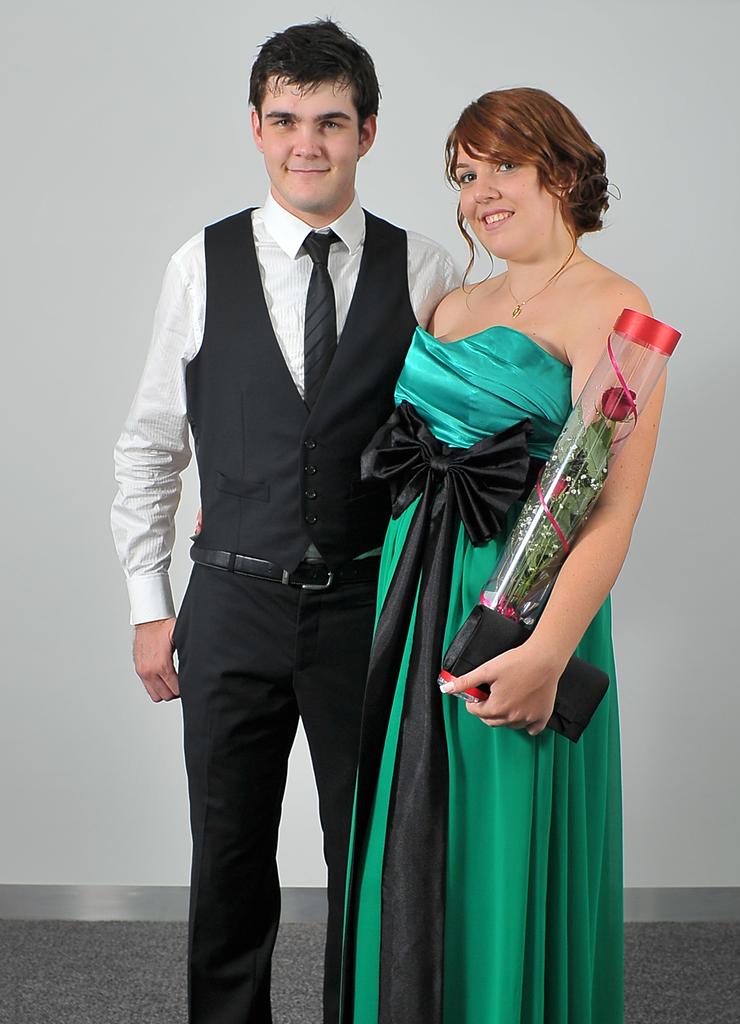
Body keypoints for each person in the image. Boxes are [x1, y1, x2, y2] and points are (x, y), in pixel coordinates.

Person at [110, 19, 457, 1024]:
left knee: (373, 859)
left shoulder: (426, 269)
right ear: (256, 129)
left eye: (332, 121)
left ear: (369, 131)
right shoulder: (201, 262)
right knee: (226, 861)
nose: (309, 142)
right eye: (288, 120)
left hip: (366, 609)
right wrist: (148, 603)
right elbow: (148, 444)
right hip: (227, 604)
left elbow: (465, 442)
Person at [340, 87, 666, 1024]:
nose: (480, 191)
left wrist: (547, 652)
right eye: (465, 174)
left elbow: (610, 508)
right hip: (414, 601)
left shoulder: (617, 306)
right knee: (412, 834)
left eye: (502, 167)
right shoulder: (455, 298)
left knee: (498, 839)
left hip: (522, 611)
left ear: (561, 169)